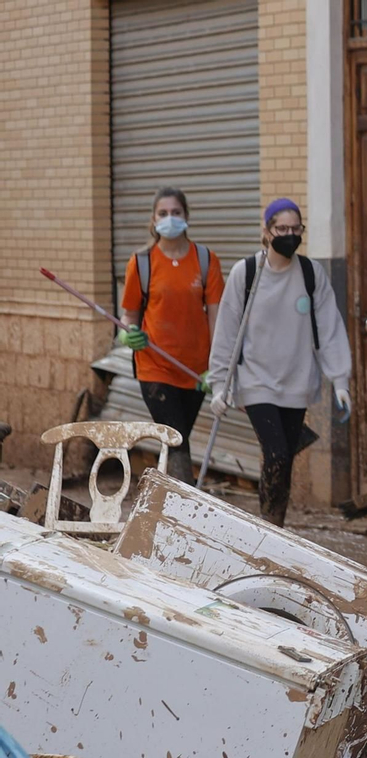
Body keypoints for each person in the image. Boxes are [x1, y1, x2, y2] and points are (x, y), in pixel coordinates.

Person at [208, 199, 351, 527]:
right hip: (256, 382)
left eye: (295, 229)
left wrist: (340, 380)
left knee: (283, 459)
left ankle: (276, 525)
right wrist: (220, 385)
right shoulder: (246, 274)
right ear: (267, 231)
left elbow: (329, 329)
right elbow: (227, 332)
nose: (289, 235)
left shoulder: (311, 274)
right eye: (281, 229)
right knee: (276, 453)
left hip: (297, 382)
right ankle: (269, 525)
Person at [117, 186, 223, 484]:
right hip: (155, 366)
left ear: (187, 216)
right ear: (153, 219)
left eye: (176, 212)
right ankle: (187, 506)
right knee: (176, 439)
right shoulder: (141, 263)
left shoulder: (206, 260)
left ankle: (165, 500)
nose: (170, 218)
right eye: (163, 213)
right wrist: (129, 335)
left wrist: (216, 366)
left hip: (195, 370)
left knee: (177, 439)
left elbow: (217, 317)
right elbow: (129, 317)